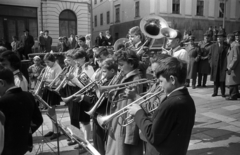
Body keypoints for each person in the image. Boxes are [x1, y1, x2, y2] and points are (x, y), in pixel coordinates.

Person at [127, 56, 196, 155]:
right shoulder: (186, 99)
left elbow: (153, 136)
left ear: (172, 79)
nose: (159, 85)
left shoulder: (170, 104)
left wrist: (138, 113)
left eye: (161, 81)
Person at [105, 49, 143, 155]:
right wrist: (111, 95)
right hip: (117, 122)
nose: (119, 68)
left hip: (124, 126)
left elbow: (134, 107)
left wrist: (130, 136)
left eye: (121, 64)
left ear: (131, 63)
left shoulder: (135, 79)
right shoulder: (124, 76)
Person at [0, 64, 43, 155]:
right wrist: (24, 132)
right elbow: (38, 120)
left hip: (6, 147)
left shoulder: (2, 101)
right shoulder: (29, 96)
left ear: (1, 83)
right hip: (23, 144)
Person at [68, 49, 94, 151]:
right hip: (77, 94)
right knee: (78, 119)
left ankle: (87, 144)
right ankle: (81, 141)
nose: (76, 62)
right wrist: (69, 80)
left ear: (83, 58)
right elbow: (75, 83)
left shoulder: (88, 68)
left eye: (78, 59)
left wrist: (74, 80)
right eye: (75, 60)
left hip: (84, 95)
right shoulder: (77, 68)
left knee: (85, 121)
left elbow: (88, 86)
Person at [42, 53, 62, 140]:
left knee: (51, 110)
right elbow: (45, 76)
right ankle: (53, 129)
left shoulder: (57, 67)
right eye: (45, 62)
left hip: (53, 90)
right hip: (47, 89)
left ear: (53, 61)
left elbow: (58, 80)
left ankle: (56, 131)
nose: (47, 64)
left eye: (48, 62)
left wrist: (47, 80)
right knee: (49, 111)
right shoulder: (48, 67)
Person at [209, 31, 228, 97]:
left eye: (220, 37)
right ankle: (215, 92)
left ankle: (223, 93)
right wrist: (211, 63)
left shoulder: (226, 46)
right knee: (215, 79)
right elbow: (209, 56)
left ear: (223, 38)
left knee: (222, 79)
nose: (218, 38)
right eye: (218, 37)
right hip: (215, 66)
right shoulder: (213, 46)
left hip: (223, 65)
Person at [225, 32, 240, 100]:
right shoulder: (232, 46)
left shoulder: (235, 46)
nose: (226, 40)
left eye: (227, 38)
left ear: (230, 39)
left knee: (232, 81)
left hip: (234, 68)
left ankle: (233, 95)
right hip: (233, 67)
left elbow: (236, 58)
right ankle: (236, 93)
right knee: (233, 81)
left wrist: (230, 67)